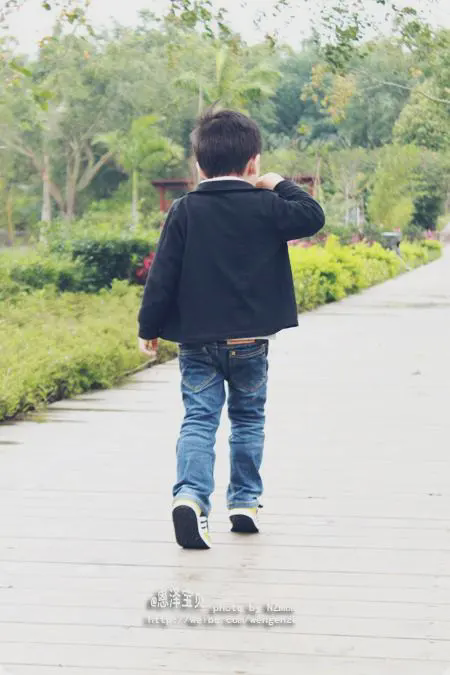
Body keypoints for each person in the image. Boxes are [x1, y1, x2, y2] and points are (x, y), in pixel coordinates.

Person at [138, 108, 325, 550]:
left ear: (198, 165)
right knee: (248, 420)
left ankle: (190, 497)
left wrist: (149, 326)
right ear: (253, 162)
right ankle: (244, 503)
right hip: (250, 343)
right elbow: (312, 215)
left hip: (197, 343)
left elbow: (163, 274)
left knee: (199, 420)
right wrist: (277, 182)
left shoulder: (185, 210)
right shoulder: (268, 206)